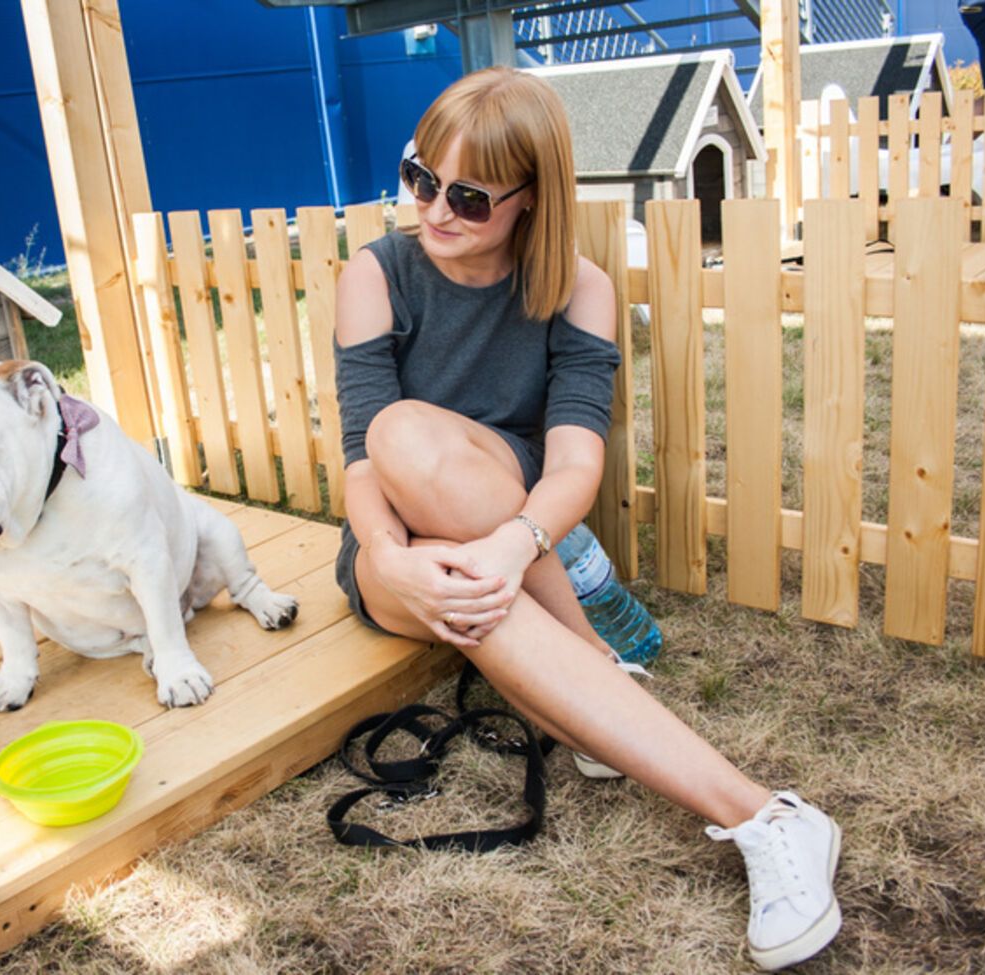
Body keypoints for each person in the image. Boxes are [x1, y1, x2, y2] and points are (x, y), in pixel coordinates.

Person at [332, 67, 842, 973]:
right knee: (398, 438)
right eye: (420, 178)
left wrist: (510, 540)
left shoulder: (578, 287)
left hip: (514, 527)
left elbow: (575, 463)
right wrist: (387, 554)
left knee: (457, 538)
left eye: (469, 196)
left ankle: (763, 816)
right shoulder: (375, 272)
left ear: (533, 199)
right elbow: (362, 458)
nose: (434, 210)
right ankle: (606, 673)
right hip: (394, 543)